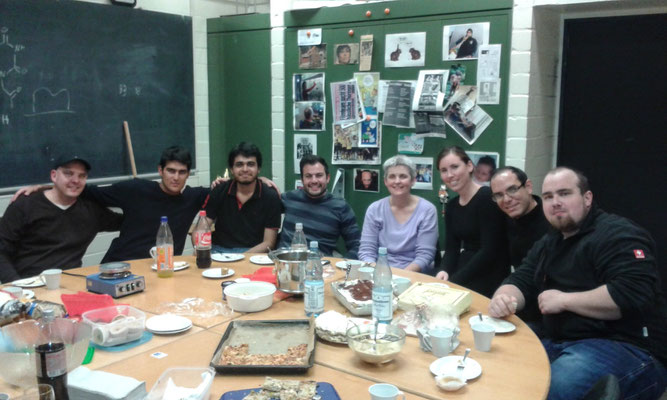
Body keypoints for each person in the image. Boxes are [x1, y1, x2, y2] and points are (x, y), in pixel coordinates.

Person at [488, 167, 667, 400]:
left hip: (626, 346)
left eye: (564, 193)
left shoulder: (618, 235)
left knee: (548, 390)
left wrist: (564, 301)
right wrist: (504, 297)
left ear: (587, 198)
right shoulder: (550, 241)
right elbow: (521, 278)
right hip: (560, 339)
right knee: (496, 364)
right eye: (549, 196)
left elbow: (631, 294)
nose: (555, 202)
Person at [0, 156, 122, 282]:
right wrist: (16, 286)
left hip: (70, 284)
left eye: (82, 176)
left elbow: (128, 221)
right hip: (28, 285)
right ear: (54, 176)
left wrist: (136, 194)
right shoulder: (24, 205)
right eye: (68, 173)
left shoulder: (92, 211)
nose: (75, 180)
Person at [435, 146, 509, 297]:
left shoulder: (487, 198)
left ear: (469, 166)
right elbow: (451, 249)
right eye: (444, 170)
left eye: (455, 167)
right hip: (465, 271)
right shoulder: (452, 206)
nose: (450, 175)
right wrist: (444, 271)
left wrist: (455, 281)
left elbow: (489, 250)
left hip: (490, 274)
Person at [489, 166, 551, 331]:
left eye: (512, 189)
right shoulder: (505, 218)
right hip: (518, 300)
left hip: (548, 312)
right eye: (499, 195)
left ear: (528, 187)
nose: (507, 199)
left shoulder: (551, 220)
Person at [358, 155, 438, 273]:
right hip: (379, 271)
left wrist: (399, 277)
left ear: (413, 181)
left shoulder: (427, 210)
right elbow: (366, 251)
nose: (397, 181)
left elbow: (425, 255)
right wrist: (377, 273)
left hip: (415, 274)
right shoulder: (374, 209)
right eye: (392, 176)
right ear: (385, 181)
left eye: (403, 176)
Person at [204, 142, 281, 253]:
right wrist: (199, 247)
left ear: (258, 169)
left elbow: (269, 243)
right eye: (239, 164)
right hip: (219, 252)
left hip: (254, 254)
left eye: (250, 164)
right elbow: (201, 228)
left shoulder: (270, 196)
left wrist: (240, 258)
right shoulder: (219, 190)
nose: (245, 169)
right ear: (231, 169)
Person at [278, 155, 360, 258]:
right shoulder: (289, 198)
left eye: (319, 175)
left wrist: (345, 268)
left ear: (328, 178)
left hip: (321, 268)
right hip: (285, 264)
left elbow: (356, 245)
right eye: (308, 176)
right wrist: (261, 181)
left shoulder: (341, 207)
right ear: (302, 179)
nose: (314, 181)